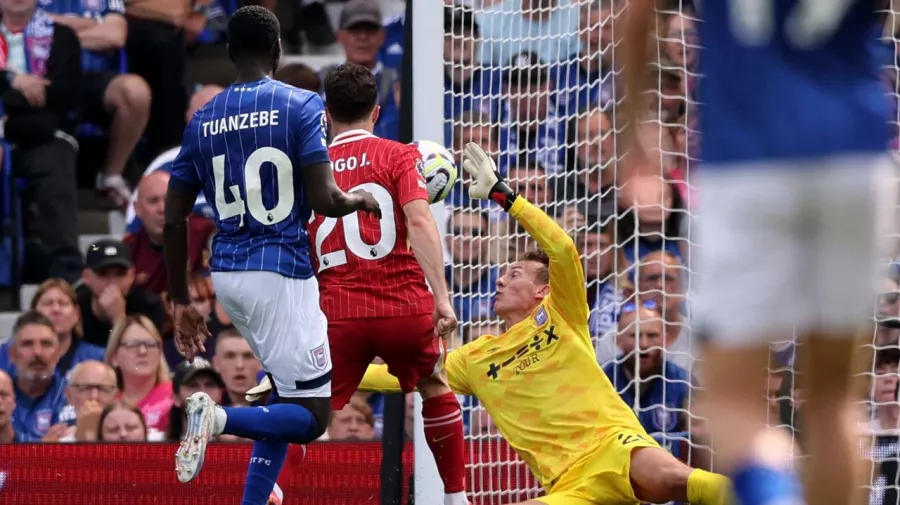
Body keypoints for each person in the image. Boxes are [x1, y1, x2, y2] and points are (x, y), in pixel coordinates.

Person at [355, 144, 730, 505]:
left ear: (543, 291)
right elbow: (397, 375)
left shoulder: (561, 313)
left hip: (614, 449)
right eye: (501, 275)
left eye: (514, 273)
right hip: (568, 486)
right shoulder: (474, 359)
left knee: (674, 479)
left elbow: (564, 249)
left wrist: (505, 196)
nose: (501, 280)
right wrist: (321, 368)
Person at [621, 2, 891, 505]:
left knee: (728, 400)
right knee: (835, 402)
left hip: (746, 162)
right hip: (854, 156)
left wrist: (635, 126)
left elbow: (638, 13)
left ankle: (772, 495)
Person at [162, 6, 380, 505]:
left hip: (229, 276)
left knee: (282, 392)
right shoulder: (302, 105)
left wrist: (180, 301)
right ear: (278, 50)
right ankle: (216, 417)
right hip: (280, 273)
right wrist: (358, 200)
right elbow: (325, 199)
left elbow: (174, 218)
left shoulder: (202, 119)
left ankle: (254, 500)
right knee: (311, 418)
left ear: (231, 52)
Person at [310, 62, 467, 505]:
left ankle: (274, 490)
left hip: (338, 313)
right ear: (376, 112)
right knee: (434, 384)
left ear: (326, 113)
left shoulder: (312, 167)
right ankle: (456, 499)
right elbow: (419, 219)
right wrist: (442, 298)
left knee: (308, 412)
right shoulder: (400, 156)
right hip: (403, 305)